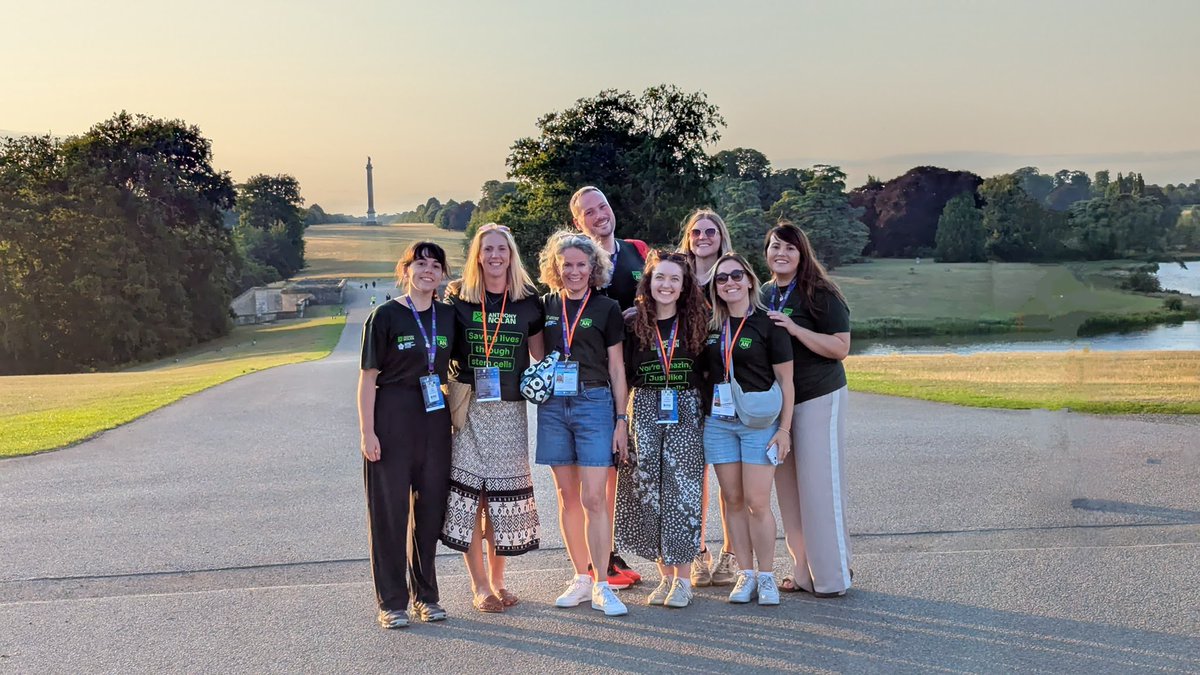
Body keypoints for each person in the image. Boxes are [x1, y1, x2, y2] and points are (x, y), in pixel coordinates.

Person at [441, 223, 545, 614]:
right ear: (478, 255)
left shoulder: (528, 301)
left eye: (502, 248)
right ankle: (479, 585)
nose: (496, 255)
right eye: (488, 249)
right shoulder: (458, 298)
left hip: (510, 411)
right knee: (473, 498)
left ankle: (499, 582)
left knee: (502, 498)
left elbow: (540, 356)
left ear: (511, 254)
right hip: (468, 407)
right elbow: (439, 351)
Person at [357, 241, 456, 629]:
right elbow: (367, 380)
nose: (427, 270)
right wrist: (368, 432)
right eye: (420, 263)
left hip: (434, 418)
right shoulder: (384, 316)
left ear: (443, 275)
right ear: (406, 270)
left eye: (435, 265)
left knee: (430, 512)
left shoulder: (448, 317)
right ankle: (392, 602)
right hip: (392, 416)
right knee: (390, 514)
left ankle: (426, 596)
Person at [535, 231, 631, 617]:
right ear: (556, 268)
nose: (574, 271)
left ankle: (603, 583)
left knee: (594, 497)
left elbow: (617, 368)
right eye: (567, 264)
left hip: (594, 402)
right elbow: (538, 358)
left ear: (593, 267)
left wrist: (621, 420)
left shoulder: (606, 308)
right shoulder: (543, 306)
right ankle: (580, 578)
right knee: (567, 496)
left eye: (581, 264)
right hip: (554, 404)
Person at [762, 223, 854, 598]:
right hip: (780, 404)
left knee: (820, 488)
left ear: (802, 253)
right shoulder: (765, 293)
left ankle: (832, 577)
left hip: (818, 395)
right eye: (774, 247)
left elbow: (840, 347)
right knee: (789, 492)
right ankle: (802, 571)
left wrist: (795, 330)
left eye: (789, 248)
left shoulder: (820, 293)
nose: (780, 253)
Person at [615, 250, 710, 608]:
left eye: (674, 279)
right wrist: (621, 421)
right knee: (650, 493)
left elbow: (707, 373)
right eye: (660, 278)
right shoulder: (632, 322)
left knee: (682, 495)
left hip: (685, 409)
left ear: (684, 285)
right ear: (648, 282)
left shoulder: (697, 320)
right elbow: (622, 376)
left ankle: (683, 579)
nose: (666, 285)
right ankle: (664, 576)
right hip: (644, 408)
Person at [703, 252, 794, 606]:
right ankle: (745, 573)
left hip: (759, 424)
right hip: (719, 423)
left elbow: (787, 381)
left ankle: (767, 575)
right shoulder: (710, 327)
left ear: (750, 280)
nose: (729, 283)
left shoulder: (768, 324)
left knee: (757, 501)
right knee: (733, 500)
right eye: (721, 279)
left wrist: (784, 430)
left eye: (736, 276)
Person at [569, 185, 647, 585]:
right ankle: (599, 559)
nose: (600, 214)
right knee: (601, 468)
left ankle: (612, 552)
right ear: (578, 222)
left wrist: (643, 311)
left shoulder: (637, 250)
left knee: (626, 464)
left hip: (643, 372)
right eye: (589, 212)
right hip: (599, 377)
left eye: (603, 205)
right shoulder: (578, 261)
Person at [675, 208, 736, 588]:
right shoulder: (678, 274)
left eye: (710, 231)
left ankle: (731, 553)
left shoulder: (731, 274)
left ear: (721, 236)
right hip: (683, 383)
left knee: (729, 475)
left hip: (725, 384)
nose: (703, 237)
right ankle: (697, 553)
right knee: (691, 477)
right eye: (696, 231)